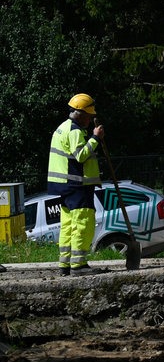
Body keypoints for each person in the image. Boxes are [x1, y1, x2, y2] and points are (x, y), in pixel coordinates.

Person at [47, 93, 105, 276]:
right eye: (88, 115)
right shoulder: (74, 131)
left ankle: (65, 264)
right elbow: (80, 155)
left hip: (65, 185)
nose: (90, 119)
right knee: (83, 223)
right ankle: (78, 265)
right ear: (79, 113)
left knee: (68, 225)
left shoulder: (62, 127)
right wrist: (95, 138)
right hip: (77, 185)